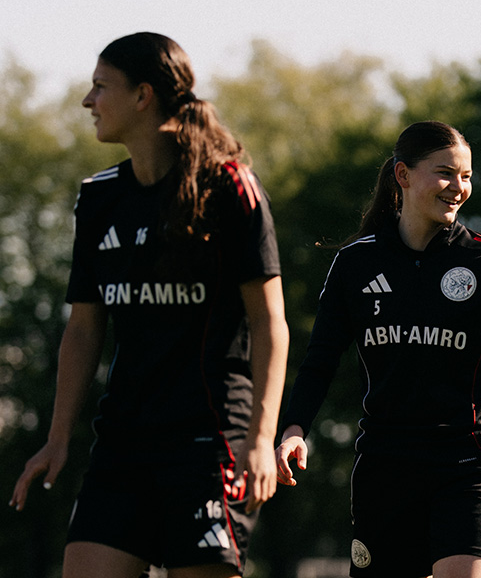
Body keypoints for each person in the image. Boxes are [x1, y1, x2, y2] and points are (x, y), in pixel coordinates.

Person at [9, 32, 289, 578]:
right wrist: (57, 438)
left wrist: (260, 438)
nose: (88, 101)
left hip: (211, 444)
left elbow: (269, 321)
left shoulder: (229, 188)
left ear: (143, 96)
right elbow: (83, 328)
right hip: (123, 445)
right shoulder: (99, 197)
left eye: (100, 87)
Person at [275, 121, 481, 578]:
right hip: (385, 471)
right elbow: (319, 361)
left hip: (469, 467)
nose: (458, 187)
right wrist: (294, 430)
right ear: (403, 175)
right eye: (445, 173)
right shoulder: (356, 263)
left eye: (466, 176)